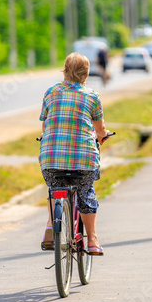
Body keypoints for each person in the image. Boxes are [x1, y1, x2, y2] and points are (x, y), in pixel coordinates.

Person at [39, 52, 110, 255]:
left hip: (52, 158)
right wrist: (103, 135)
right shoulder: (92, 96)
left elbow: (45, 125)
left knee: (55, 187)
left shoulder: (51, 92)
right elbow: (99, 127)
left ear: (65, 70)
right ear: (86, 74)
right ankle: (93, 240)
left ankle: (52, 226)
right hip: (83, 160)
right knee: (85, 191)